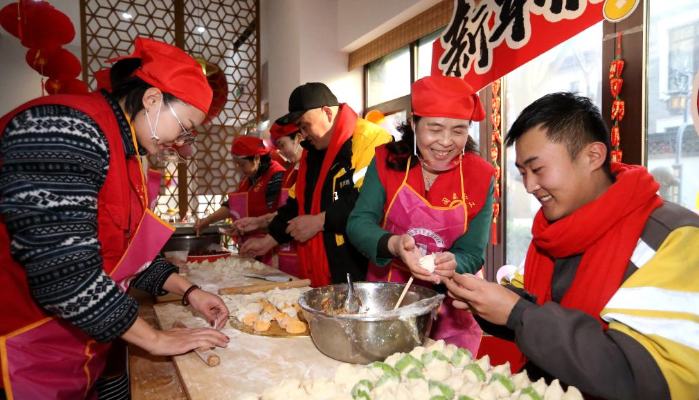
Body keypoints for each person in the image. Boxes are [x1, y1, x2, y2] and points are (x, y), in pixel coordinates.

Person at [0, 38, 230, 400]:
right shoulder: (65, 126)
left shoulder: (126, 152)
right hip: (19, 343)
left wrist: (189, 291)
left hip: (72, 347)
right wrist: (155, 340)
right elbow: (64, 273)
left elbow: (126, 254)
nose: (181, 141)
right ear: (152, 99)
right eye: (184, 127)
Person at [444, 92, 699, 399]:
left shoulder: (673, 237)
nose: (530, 186)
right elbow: (534, 308)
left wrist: (517, 313)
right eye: (523, 173)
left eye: (538, 170)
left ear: (593, 156)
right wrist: (481, 298)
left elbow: (644, 376)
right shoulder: (553, 231)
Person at [346, 76, 494, 354]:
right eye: (435, 129)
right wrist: (394, 245)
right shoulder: (386, 162)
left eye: (458, 130)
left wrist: (455, 261)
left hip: (453, 304)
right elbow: (358, 223)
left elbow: (472, 252)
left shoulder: (481, 176)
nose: (446, 142)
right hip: (390, 296)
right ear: (414, 124)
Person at [240, 82, 391, 286]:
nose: (303, 134)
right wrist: (269, 240)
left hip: (360, 265)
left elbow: (367, 200)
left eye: (305, 126)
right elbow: (297, 204)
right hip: (320, 265)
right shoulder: (312, 151)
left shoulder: (370, 139)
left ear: (327, 113)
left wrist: (319, 221)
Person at [195, 135, 285, 265]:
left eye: (242, 164)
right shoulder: (247, 179)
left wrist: (252, 228)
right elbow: (230, 205)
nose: (239, 169)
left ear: (256, 158)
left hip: (271, 249)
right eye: (236, 164)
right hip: (250, 249)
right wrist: (208, 220)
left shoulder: (276, 176)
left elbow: (281, 218)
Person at [235, 122, 304, 276]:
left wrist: (260, 226)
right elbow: (289, 211)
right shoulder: (290, 172)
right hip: (284, 245)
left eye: (282, 144)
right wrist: (258, 222)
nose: (280, 151)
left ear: (299, 139)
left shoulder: (279, 174)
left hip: (305, 251)